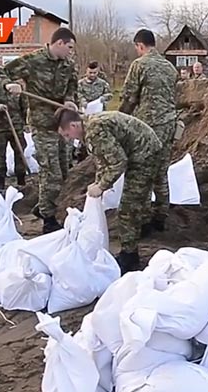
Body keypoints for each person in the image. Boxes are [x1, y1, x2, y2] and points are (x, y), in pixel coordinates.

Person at [56, 109, 161, 273]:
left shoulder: (95, 131)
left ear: (74, 125)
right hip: (141, 149)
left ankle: (130, 256)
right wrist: (99, 182)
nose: (69, 139)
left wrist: (102, 186)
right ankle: (142, 226)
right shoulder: (88, 127)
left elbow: (118, 162)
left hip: (145, 154)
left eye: (68, 135)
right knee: (138, 198)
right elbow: (103, 160)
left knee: (127, 209)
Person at [2, 27, 79, 233]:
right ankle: (48, 219)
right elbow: (2, 72)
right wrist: (11, 85)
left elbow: (72, 87)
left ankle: (44, 207)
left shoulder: (68, 65)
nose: (71, 52)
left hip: (62, 125)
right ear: (59, 43)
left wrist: (70, 101)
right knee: (50, 171)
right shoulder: (32, 61)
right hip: (42, 124)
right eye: (69, 47)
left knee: (64, 171)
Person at [119, 29, 179, 236]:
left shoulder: (140, 65)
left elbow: (129, 97)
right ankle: (161, 215)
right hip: (170, 124)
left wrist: (120, 119)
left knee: (142, 172)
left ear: (140, 45)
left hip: (148, 127)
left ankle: (143, 220)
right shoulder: (170, 67)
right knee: (161, 172)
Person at [0, 66, 29, 190]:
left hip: (0, 127)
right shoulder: (17, 86)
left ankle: (1, 183)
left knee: (0, 155)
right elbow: (24, 106)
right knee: (19, 153)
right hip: (15, 125)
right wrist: (24, 122)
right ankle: (21, 181)